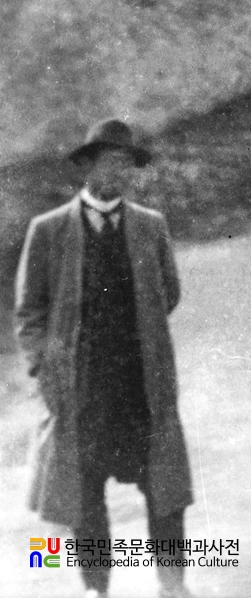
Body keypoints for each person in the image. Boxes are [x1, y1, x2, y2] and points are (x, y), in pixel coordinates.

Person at [14, 118, 192, 598]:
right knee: (86, 494)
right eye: (110, 161)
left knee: (165, 491)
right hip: (83, 385)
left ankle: (172, 585)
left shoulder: (150, 227)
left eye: (127, 164)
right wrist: (43, 368)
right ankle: (97, 588)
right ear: (87, 166)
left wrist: (141, 333)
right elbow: (29, 312)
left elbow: (168, 292)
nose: (119, 172)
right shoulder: (48, 230)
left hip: (140, 383)